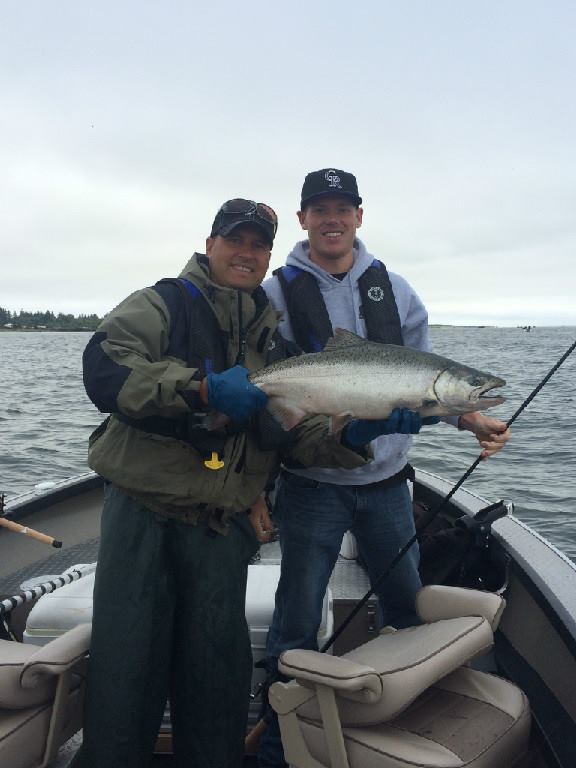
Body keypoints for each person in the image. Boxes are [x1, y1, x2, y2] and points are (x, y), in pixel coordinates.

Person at [72, 197, 419, 768]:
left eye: (259, 244)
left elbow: (292, 437)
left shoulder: (273, 343)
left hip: (221, 529)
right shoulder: (163, 303)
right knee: (126, 669)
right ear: (210, 244)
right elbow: (106, 367)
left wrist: (355, 437)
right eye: (235, 240)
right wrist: (199, 389)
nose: (247, 253)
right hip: (144, 518)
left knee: (216, 675)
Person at [256, 169, 511, 767]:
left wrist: (471, 419)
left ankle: (413, 726)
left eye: (342, 208)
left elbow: (432, 390)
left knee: (405, 608)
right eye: (319, 209)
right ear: (303, 221)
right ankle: (278, 745)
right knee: (296, 619)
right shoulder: (273, 294)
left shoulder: (396, 290)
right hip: (311, 484)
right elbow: (263, 390)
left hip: (388, 486)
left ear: (359, 217)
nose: (332, 219)